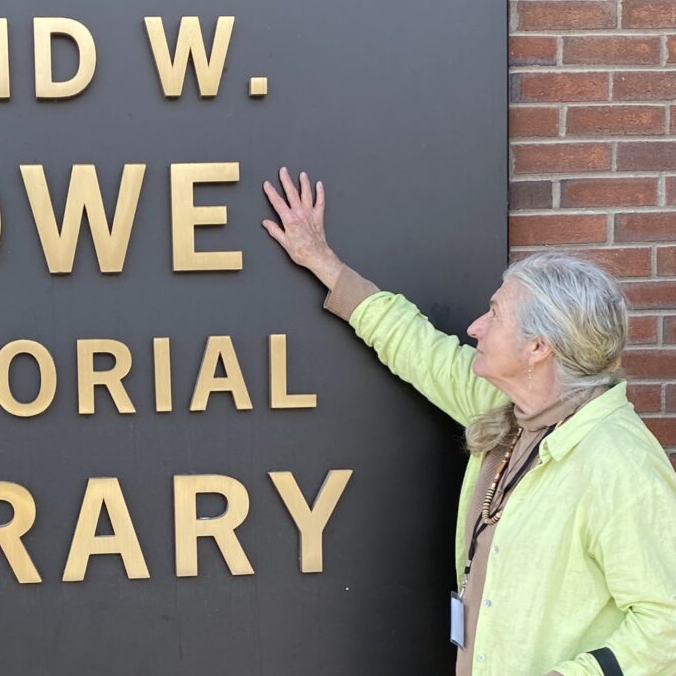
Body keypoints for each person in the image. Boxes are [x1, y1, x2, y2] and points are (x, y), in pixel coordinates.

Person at [261, 167, 676, 675]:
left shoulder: (618, 463)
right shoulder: (506, 409)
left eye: (495, 315)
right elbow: (413, 344)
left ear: (538, 348)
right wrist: (322, 261)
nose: (475, 327)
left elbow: (667, 623)